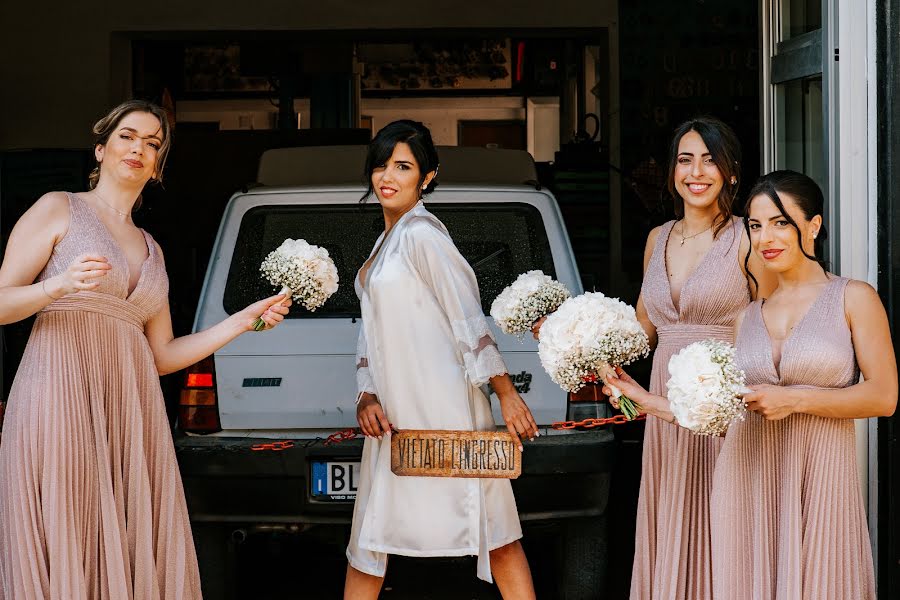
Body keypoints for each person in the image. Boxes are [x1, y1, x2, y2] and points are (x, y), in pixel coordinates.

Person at [0, 100, 290, 599]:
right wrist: (59, 287)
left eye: (153, 143)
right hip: (59, 397)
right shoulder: (58, 207)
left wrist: (241, 323)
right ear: (102, 148)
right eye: (128, 136)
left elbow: (162, 355)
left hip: (131, 414)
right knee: (71, 532)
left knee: (134, 542)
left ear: (158, 166)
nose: (139, 148)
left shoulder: (153, 248)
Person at [536, 117, 775, 599]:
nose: (696, 171)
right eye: (685, 160)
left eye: (710, 160)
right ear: (672, 172)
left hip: (723, 408)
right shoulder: (658, 238)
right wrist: (578, 340)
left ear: (731, 172)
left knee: (724, 523)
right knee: (673, 519)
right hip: (664, 410)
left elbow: (772, 327)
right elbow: (642, 334)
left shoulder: (748, 239)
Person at [344, 120, 538, 599]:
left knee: (494, 531)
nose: (388, 175)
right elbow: (373, 334)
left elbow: (469, 320)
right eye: (382, 164)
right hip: (395, 416)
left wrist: (506, 395)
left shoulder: (424, 236)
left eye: (404, 166)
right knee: (370, 537)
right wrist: (366, 394)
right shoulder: (386, 242)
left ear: (427, 177)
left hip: (447, 411)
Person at [706, 171, 896, 598]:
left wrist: (794, 398)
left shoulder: (853, 297)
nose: (766, 237)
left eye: (781, 222)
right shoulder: (746, 316)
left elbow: (884, 397)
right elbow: (721, 409)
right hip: (749, 478)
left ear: (812, 226)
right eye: (755, 226)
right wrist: (637, 398)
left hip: (821, 478)